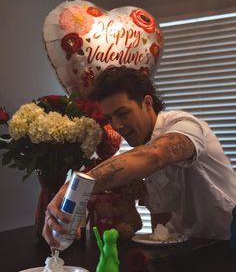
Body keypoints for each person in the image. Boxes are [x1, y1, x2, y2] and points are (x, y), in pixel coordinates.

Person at [43, 66, 236, 248]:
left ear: (147, 103)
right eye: (110, 118)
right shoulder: (140, 153)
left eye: (123, 113)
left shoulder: (184, 124)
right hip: (185, 249)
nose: (116, 125)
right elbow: (161, 223)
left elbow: (155, 156)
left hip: (226, 245)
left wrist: (73, 186)